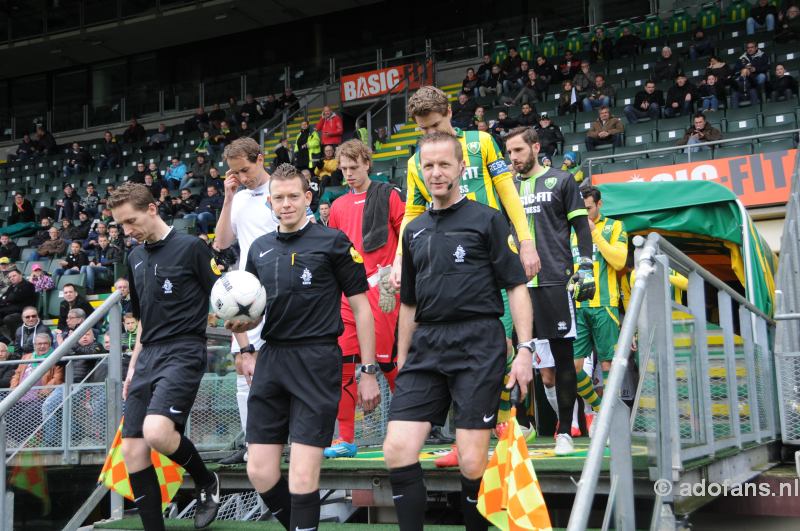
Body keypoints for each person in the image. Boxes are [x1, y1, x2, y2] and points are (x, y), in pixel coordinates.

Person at [383, 132, 534, 531]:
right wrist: (402, 357)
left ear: (460, 168)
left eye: (444, 164)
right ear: (418, 171)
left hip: (478, 343)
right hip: (426, 346)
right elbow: (409, 303)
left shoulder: (487, 218)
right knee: (397, 448)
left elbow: (516, 285)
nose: (436, 172)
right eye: (428, 165)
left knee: (471, 460)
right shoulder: (412, 230)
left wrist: (524, 349)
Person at [229, 164, 379, 531]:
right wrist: (244, 345)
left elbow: (361, 308)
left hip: (317, 360)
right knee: (259, 470)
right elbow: (248, 311)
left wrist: (368, 371)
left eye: (293, 196)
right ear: (269, 202)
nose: (286, 204)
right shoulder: (260, 249)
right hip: (272, 359)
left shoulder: (333, 242)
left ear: (307, 197)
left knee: (302, 476)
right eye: (278, 198)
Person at [108, 182, 223, 530]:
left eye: (130, 221)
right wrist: (132, 367)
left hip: (184, 350)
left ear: (152, 209)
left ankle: (206, 481)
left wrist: (246, 348)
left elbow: (224, 299)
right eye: (121, 225)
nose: (127, 232)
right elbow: (143, 320)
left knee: (157, 432)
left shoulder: (192, 248)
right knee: (132, 450)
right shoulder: (135, 257)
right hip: (147, 357)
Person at [390, 86, 538, 292]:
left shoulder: (482, 141)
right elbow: (413, 212)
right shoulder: (416, 162)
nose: (431, 134)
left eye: (435, 125)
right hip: (446, 259)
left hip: (491, 252)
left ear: (449, 112)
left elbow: (508, 192)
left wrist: (526, 241)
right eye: (424, 130)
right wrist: (400, 259)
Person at [505, 126, 595, 454]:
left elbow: (581, 227)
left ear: (535, 146)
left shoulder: (562, 180)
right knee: (519, 357)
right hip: (519, 288)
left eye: (518, 151)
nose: (513, 158)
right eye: (509, 153)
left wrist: (586, 266)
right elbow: (504, 231)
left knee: (563, 359)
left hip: (556, 281)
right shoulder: (508, 187)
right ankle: (521, 427)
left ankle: (564, 433)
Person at [323, 140, 405, 458]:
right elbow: (332, 250)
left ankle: (416, 423)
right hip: (349, 294)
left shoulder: (389, 195)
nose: (348, 174)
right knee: (343, 361)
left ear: (367, 164)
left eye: (353, 168)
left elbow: (405, 239)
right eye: (343, 169)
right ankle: (345, 439)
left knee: (387, 361)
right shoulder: (339, 206)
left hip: (383, 289)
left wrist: (398, 277)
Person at [212, 137, 279, 466]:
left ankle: (284, 441)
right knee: (243, 366)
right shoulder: (237, 198)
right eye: (235, 172)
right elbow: (223, 242)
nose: (242, 176)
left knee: (281, 365)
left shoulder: (280, 190)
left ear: (260, 159)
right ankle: (252, 443)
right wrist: (228, 197)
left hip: (280, 286)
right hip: (247, 292)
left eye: (246, 169)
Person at [570, 186, 627, 430]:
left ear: (599, 205)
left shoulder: (615, 226)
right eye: (581, 209)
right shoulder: (571, 229)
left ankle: (612, 422)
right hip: (578, 305)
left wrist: (595, 235)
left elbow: (619, 261)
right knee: (572, 367)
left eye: (589, 209)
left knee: (607, 365)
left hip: (605, 305)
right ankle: (599, 408)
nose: (584, 213)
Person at [0, 268, 37, 341]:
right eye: (10, 277)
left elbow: (14, 298)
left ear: (20, 275)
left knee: (9, 318)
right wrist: (5, 300)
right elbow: (4, 298)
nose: (12, 278)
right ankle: (10, 339)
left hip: (23, 311)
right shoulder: (11, 287)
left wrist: (6, 300)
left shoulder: (28, 285)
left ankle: (17, 339)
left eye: (14, 276)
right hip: (11, 309)